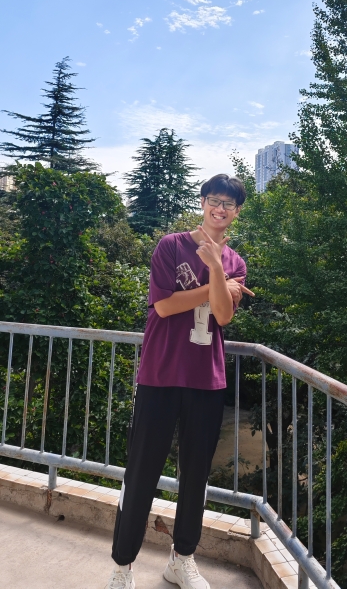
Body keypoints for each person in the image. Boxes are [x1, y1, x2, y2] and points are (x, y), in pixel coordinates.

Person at [106, 174, 254, 589]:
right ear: (202, 202)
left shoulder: (235, 263)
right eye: (214, 200)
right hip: (160, 374)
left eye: (229, 204)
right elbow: (165, 305)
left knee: (195, 478)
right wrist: (217, 284)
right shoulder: (170, 246)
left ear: (237, 211)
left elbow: (223, 316)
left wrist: (216, 268)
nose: (220, 209)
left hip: (207, 379)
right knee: (141, 473)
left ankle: (182, 559)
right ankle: (122, 566)